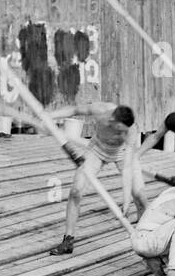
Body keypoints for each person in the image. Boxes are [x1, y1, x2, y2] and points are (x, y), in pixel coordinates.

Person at [48, 101, 143, 255]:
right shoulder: (100, 110)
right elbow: (75, 108)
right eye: (120, 130)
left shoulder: (130, 130)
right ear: (112, 120)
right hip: (96, 150)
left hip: (121, 153)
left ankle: (146, 233)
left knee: (139, 194)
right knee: (75, 191)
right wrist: (50, 115)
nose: (122, 133)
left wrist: (126, 200)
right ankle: (68, 240)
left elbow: (126, 169)